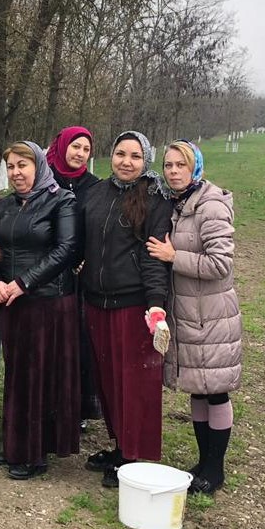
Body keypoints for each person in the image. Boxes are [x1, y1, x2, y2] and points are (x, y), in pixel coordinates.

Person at [0, 142, 79, 478]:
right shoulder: (5, 205)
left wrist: (23, 282)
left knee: (39, 376)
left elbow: (65, 249)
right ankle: (15, 445)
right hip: (11, 301)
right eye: (11, 166)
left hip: (48, 301)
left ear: (38, 166)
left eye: (23, 165)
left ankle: (35, 453)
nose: (17, 172)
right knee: (17, 374)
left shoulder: (61, 201)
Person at [146, 140, 241, 494]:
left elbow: (221, 264)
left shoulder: (210, 206)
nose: (173, 171)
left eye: (181, 165)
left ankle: (215, 469)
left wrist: (174, 257)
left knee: (215, 392)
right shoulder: (178, 203)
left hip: (211, 316)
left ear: (195, 167)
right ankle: (203, 461)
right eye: (168, 165)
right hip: (187, 314)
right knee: (198, 390)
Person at [80, 130, 172, 488]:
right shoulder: (97, 193)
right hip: (96, 300)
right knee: (108, 380)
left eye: (135, 156)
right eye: (121, 154)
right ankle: (120, 444)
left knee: (133, 384)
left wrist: (155, 306)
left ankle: (132, 455)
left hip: (132, 304)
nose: (126, 162)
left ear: (145, 160)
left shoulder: (154, 198)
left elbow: (153, 257)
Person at [46, 126, 102, 426]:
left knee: (78, 342)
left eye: (85, 149)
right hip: (46, 272)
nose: (80, 153)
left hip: (80, 275)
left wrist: (86, 258)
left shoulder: (94, 186)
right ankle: (49, 404)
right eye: (75, 146)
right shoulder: (45, 179)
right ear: (62, 145)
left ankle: (78, 408)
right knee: (50, 341)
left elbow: (98, 227)